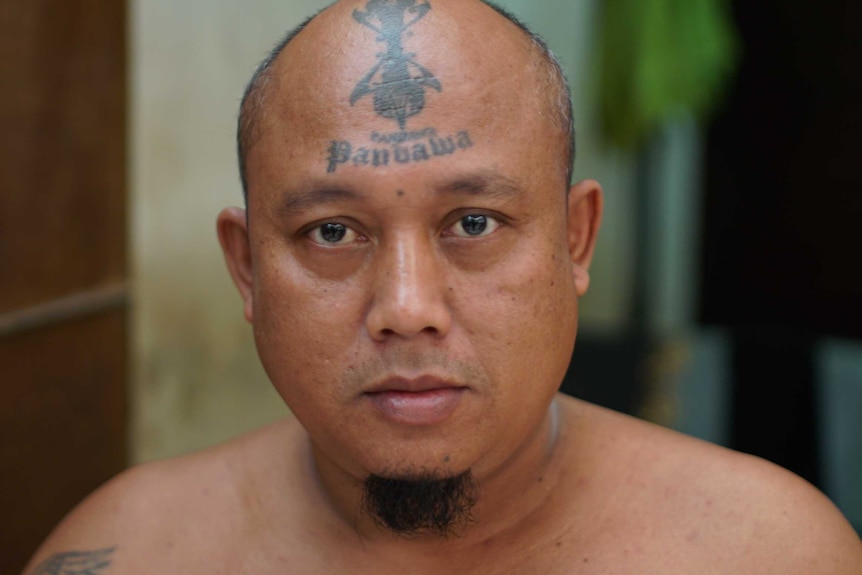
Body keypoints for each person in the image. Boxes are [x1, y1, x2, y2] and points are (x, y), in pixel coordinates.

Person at [24, 0, 862, 573]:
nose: (406, 308)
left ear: (577, 239)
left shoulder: (764, 552)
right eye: (332, 232)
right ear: (246, 267)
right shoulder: (127, 551)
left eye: (472, 224)